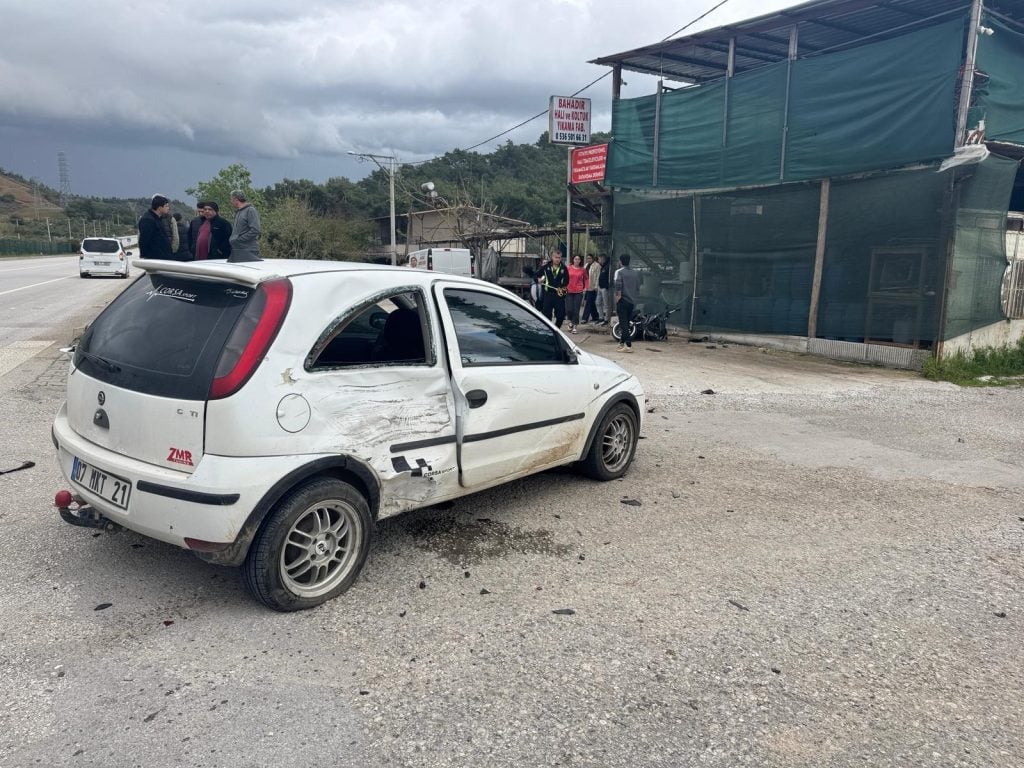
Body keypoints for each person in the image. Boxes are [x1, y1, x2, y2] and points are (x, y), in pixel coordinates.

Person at [614, 253, 642, 352]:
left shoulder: (620, 272)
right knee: (627, 322)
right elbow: (638, 287)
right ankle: (621, 343)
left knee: (623, 324)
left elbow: (618, 286)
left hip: (623, 300)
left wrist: (617, 298)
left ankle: (628, 345)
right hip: (632, 301)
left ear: (621, 261)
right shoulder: (635, 273)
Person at [137, 195, 174, 259]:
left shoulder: (158, 219)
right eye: (166, 206)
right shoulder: (148, 220)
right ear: (159, 207)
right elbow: (144, 241)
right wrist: (143, 256)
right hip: (155, 259)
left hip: (163, 258)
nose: (168, 208)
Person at [229, 190, 261, 262]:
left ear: (236, 199)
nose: (231, 202)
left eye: (231, 199)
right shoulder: (238, 212)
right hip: (238, 250)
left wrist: (239, 240)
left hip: (248, 251)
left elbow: (255, 230)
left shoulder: (250, 210)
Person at [541, 248, 569, 328]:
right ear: (552, 257)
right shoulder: (546, 267)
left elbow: (567, 281)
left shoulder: (564, 268)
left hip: (558, 295)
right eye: (556, 257)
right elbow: (537, 276)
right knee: (546, 316)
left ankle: (556, 329)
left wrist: (561, 287)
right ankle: (548, 330)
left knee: (560, 315)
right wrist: (539, 279)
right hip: (548, 294)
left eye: (559, 257)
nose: (557, 259)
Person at [565, 254, 588, 333]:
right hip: (569, 291)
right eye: (575, 259)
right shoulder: (568, 268)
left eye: (578, 259)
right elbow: (564, 278)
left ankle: (575, 326)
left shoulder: (582, 269)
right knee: (569, 309)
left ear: (580, 260)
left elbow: (586, 279)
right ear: (573, 260)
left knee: (576, 310)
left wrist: (585, 288)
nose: (577, 260)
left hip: (578, 291)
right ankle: (571, 322)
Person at [581, 253, 601, 325]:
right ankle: (595, 316)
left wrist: (596, 286)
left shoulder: (597, 265)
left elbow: (598, 276)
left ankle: (584, 318)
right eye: (587, 258)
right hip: (586, 286)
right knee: (591, 302)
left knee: (589, 301)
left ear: (593, 258)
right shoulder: (586, 265)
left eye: (589, 258)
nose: (588, 260)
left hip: (593, 287)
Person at [597, 254, 612, 324]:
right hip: (600, 287)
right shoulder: (603, 266)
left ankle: (606, 319)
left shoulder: (608, 266)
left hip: (605, 288)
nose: (598, 260)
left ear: (603, 259)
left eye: (599, 259)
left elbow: (609, 278)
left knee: (606, 304)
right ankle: (601, 317)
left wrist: (607, 286)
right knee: (598, 302)